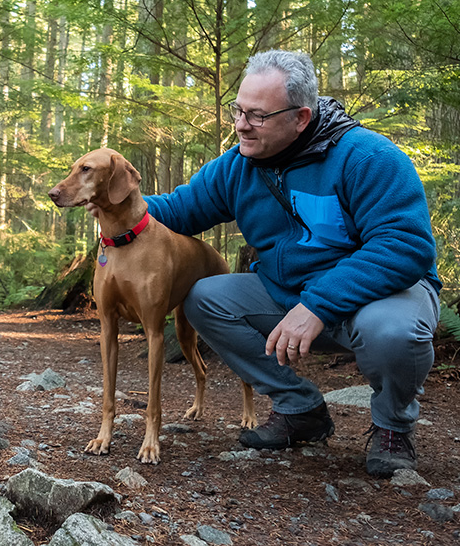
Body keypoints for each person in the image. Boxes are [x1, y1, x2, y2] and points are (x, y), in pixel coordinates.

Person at [96, 50, 441, 477]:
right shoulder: (239, 165)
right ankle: (299, 408)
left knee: (393, 333)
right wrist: (113, 206)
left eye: (256, 115)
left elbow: (404, 246)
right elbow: (179, 209)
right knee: (204, 298)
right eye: (238, 110)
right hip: (286, 293)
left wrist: (318, 305)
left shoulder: (368, 158)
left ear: (300, 117)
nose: (241, 124)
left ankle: (392, 426)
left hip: (378, 297)